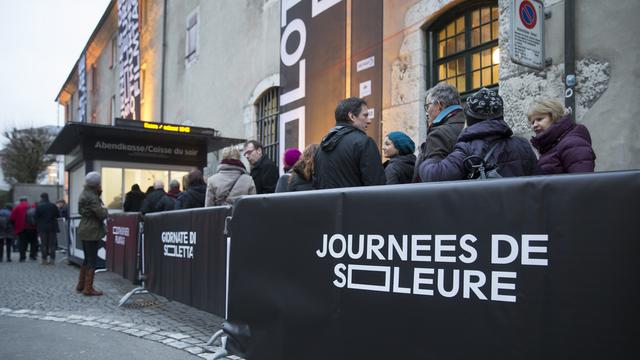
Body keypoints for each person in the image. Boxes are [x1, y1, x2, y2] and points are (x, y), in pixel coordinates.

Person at [419, 88, 537, 181]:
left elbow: (435, 175)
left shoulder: (468, 148)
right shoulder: (523, 145)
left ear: (470, 117)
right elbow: (538, 178)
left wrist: (426, 159)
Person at [314, 97, 386, 189]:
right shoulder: (364, 142)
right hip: (357, 203)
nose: (369, 121)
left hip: (327, 203)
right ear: (352, 116)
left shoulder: (321, 148)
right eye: (365, 115)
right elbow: (377, 186)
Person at [528, 98, 596, 174]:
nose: (534, 125)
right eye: (532, 122)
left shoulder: (573, 144)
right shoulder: (550, 146)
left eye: (539, 119)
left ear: (554, 116)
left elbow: (583, 182)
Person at [414, 82, 466, 182]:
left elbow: (433, 178)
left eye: (428, 106)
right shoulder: (466, 124)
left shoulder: (438, 133)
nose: (427, 112)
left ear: (439, 105)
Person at [76, 171, 108, 296]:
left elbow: (82, 211)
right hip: (92, 230)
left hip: (84, 228)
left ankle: (81, 285)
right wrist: (105, 210)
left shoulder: (84, 193)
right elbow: (101, 214)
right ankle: (88, 288)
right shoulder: (92, 197)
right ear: (97, 183)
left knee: (87, 259)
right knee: (92, 260)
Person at [10, 196, 38, 262]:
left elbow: (12, 218)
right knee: (33, 242)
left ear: (20, 200)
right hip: (33, 228)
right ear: (26, 200)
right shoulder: (32, 206)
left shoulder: (17, 207)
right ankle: (32, 256)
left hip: (22, 228)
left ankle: (22, 257)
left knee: (22, 243)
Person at [34, 193, 60, 265]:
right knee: (52, 244)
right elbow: (58, 215)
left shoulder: (39, 206)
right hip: (52, 227)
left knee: (43, 244)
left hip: (42, 228)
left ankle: (44, 260)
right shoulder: (53, 206)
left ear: (41, 198)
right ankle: (52, 260)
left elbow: (35, 217)